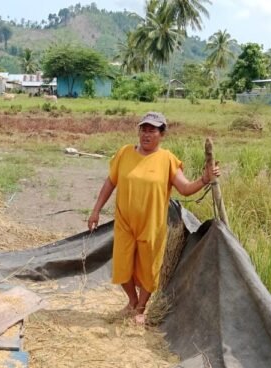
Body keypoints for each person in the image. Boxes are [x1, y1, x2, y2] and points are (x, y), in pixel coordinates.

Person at [87, 112, 220, 325]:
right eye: (144, 129)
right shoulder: (124, 154)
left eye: (152, 130)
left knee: (149, 268)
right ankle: (131, 301)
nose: (146, 134)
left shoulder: (167, 159)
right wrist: (95, 211)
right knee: (122, 267)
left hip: (152, 225)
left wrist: (204, 179)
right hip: (125, 222)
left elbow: (185, 189)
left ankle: (141, 308)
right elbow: (110, 183)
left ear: (162, 134)